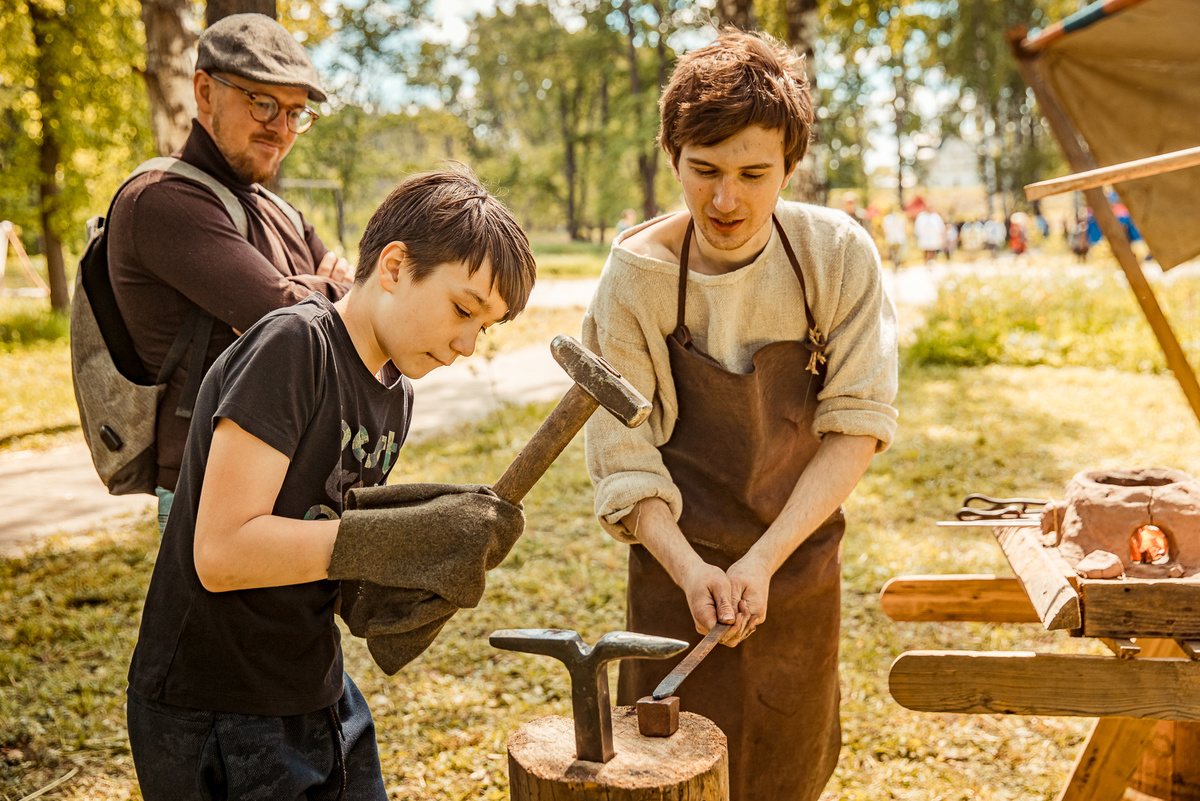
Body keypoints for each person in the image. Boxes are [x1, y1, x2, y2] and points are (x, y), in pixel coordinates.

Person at [125, 168, 538, 800]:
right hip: (216, 705)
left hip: (314, 687)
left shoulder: (394, 393)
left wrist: (401, 582)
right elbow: (222, 553)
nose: (465, 344)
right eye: (463, 309)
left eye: (484, 328)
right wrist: (387, 540)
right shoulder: (295, 346)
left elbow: (323, 540)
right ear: (395, 267)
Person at [582, 29, 898, 801]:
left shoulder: (837, 256)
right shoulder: (634, 279)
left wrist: (764, 558)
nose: (727, 200)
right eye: (706, 171)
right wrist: (692, 568)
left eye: (755, 173)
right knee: (666, 771)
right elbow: (624, 457)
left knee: (788, 763)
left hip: (795, 556)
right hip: (675, 566)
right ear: (672, 159)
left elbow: (857, 423)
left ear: (792, 165)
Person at [108, 13, 354, 533]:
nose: (282, 128)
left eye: (295, 112)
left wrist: (309, 298)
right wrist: (325, 289)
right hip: (208, 482)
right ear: (204, 91)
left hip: (297, 469)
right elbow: (288, 318)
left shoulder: (280, 211)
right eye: (262, 102)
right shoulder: (161, 199)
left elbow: (342, 319)